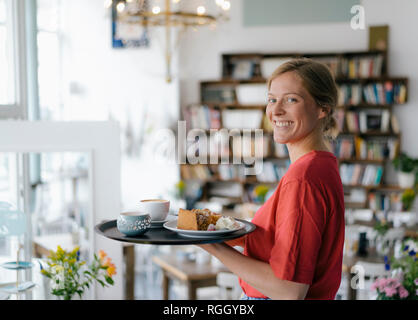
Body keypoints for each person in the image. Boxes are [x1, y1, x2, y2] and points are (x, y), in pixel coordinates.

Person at [198, 58, 345, 300]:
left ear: (323, 109)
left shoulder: (304, 178)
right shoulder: (322, 165)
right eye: (271, 99)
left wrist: (212, 245)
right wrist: (217, 226)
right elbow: (281, 243)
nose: (275, 111)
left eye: (291, 99)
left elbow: (289, 289)